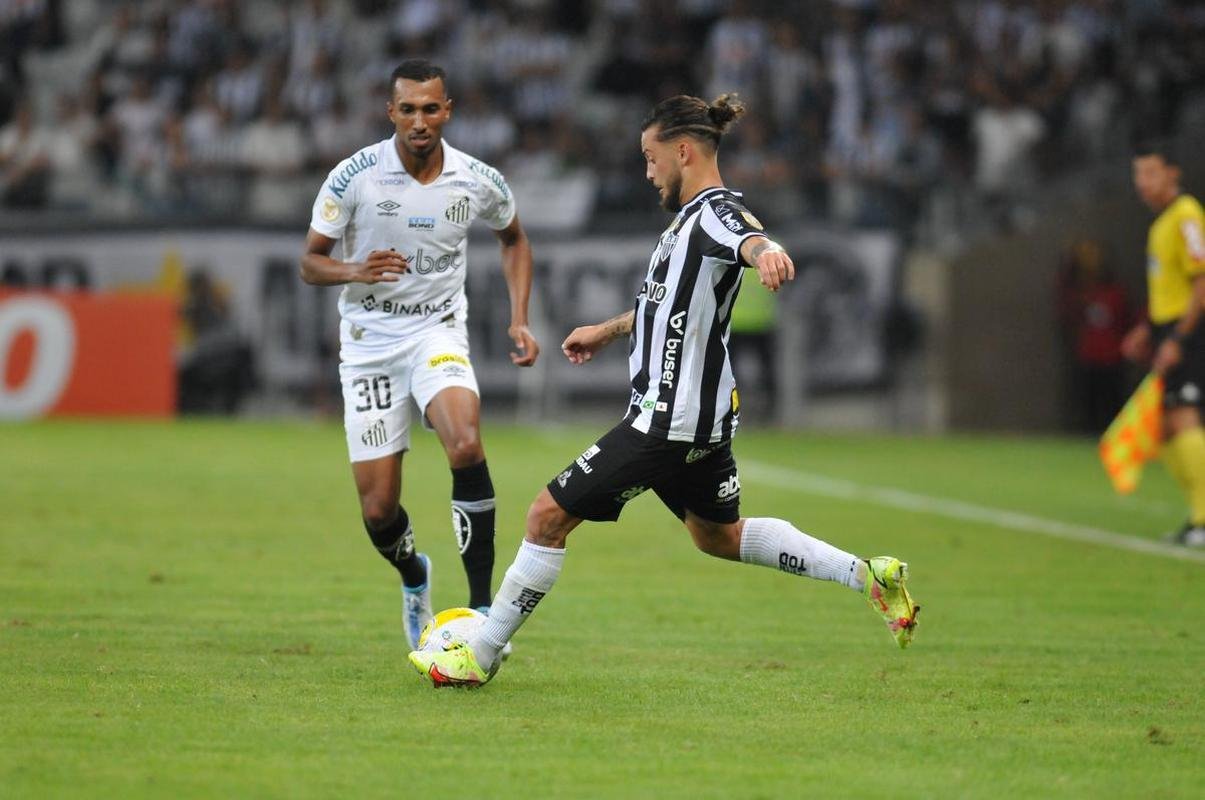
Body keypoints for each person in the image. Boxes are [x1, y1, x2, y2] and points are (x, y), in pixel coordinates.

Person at [409, 93, 919, 688]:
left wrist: (769, 252)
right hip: (700, 420)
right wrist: (610, 328)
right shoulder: (683, 224)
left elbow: (748, 237)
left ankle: (482, 654)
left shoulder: (713, 213)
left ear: (682, 152)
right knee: (718, 536)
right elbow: (671, 304)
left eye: (651, 160)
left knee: (546, 517)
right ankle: (868, 576)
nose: (648, 173)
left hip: (668, 421)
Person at [300, 59, 540, 649]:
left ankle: (485, 613)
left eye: (430, 108)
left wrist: (518, 318)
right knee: (380, 509)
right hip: (368, 347)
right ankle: (415, 576)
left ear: (447, 110)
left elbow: (513, 239)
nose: (419, 120)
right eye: (407, 109)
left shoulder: (477, 179)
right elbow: (310, 261)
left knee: (464, 440)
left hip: (437, 332)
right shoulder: (354, 176)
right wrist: (356, 269)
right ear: (391, 113)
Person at [1121, 142, 1205, 547]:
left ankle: (1204, 520)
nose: (1142, 183)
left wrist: (1179, 338)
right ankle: (1197, 517)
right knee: (1167, 429)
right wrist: (1147, 330)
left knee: (1183, 415)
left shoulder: (1187, 214)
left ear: (1173, 173)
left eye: (1150, 173)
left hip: (1191, 328)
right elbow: (1167, 290)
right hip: (1167, 327)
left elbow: (1201, 280)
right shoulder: (1160, 225)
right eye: (1138, 174)